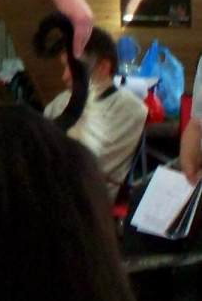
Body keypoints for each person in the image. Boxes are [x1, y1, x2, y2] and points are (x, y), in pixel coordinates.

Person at [43, 27, 146, 195]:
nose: (65, 77)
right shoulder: (60, 102)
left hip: (86, 201)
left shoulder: (130, 110)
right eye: (65, 67)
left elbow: (86, 166)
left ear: (103, 67)